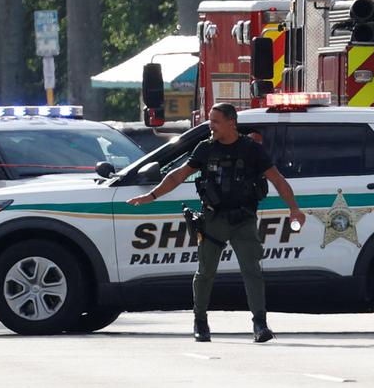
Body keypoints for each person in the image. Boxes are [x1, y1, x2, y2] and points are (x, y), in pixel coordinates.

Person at [127, 103, 307, 343]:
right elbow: (178, 175)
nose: (211, 126)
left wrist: (294, 208)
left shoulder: (251, 149)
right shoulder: (205, 149)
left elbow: (277, 179)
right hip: (213, 219)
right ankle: (200, 321)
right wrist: (151, 196)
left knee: (252, 271)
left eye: (215, 121)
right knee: (204, 273)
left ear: (231, 122)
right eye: (210, 121)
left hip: (243, 219)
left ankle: (260, 324)